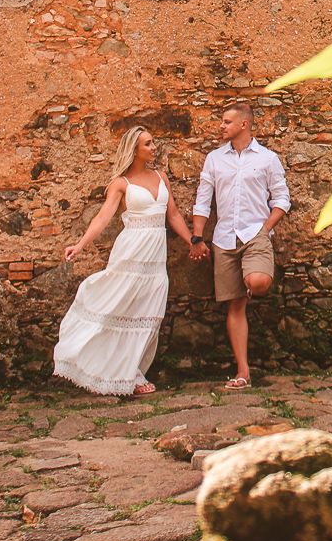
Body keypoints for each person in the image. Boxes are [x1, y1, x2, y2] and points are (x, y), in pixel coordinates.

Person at [53, 125, 197, 396]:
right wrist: (80, 245)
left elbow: (174, 214)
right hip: (131, 252)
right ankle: (120, 372)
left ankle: (133, 369)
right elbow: (102, 218)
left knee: (149, 314)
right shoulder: (122, 183)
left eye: (153, 142)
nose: (154, 147)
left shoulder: (161, 176)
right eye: (148, 144)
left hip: (155, 258)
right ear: (134, 150)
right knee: (119, 306)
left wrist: (192, 241)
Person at [189, 100, 291, 389]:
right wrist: (197, 237)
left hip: (255, 235)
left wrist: (265, 229)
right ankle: (243, 371)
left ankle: (249, 280)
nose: (221, 126)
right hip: (223, 238)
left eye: (226, 122)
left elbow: (282, 198)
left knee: (257, 282)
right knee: (236, 305)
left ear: (243, 125)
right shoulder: (214, 159)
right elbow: (203, 200)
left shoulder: (267, 159)